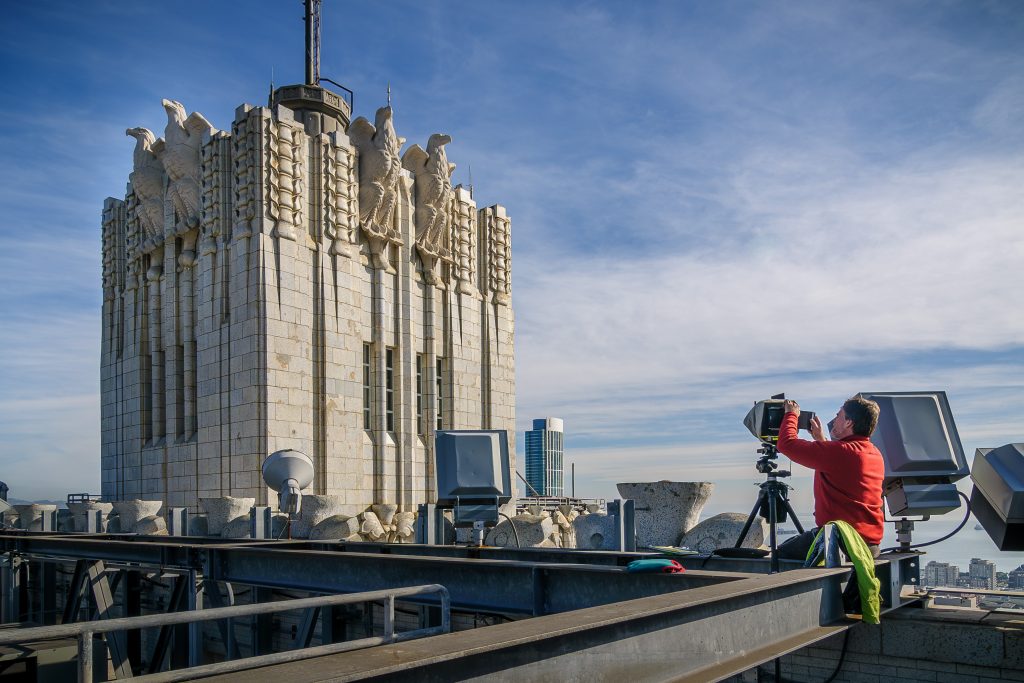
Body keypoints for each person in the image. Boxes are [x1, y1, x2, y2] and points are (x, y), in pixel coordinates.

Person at [775, 397, 885, 560]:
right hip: (868, 545)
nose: (834, 421)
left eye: (839, 416)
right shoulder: (873, 453)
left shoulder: (840, 452)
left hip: (840, 542)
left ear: (849, 423)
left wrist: (791, 415)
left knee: (780, 556)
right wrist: (821, 440)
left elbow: (786, 444)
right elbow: (841, 467)